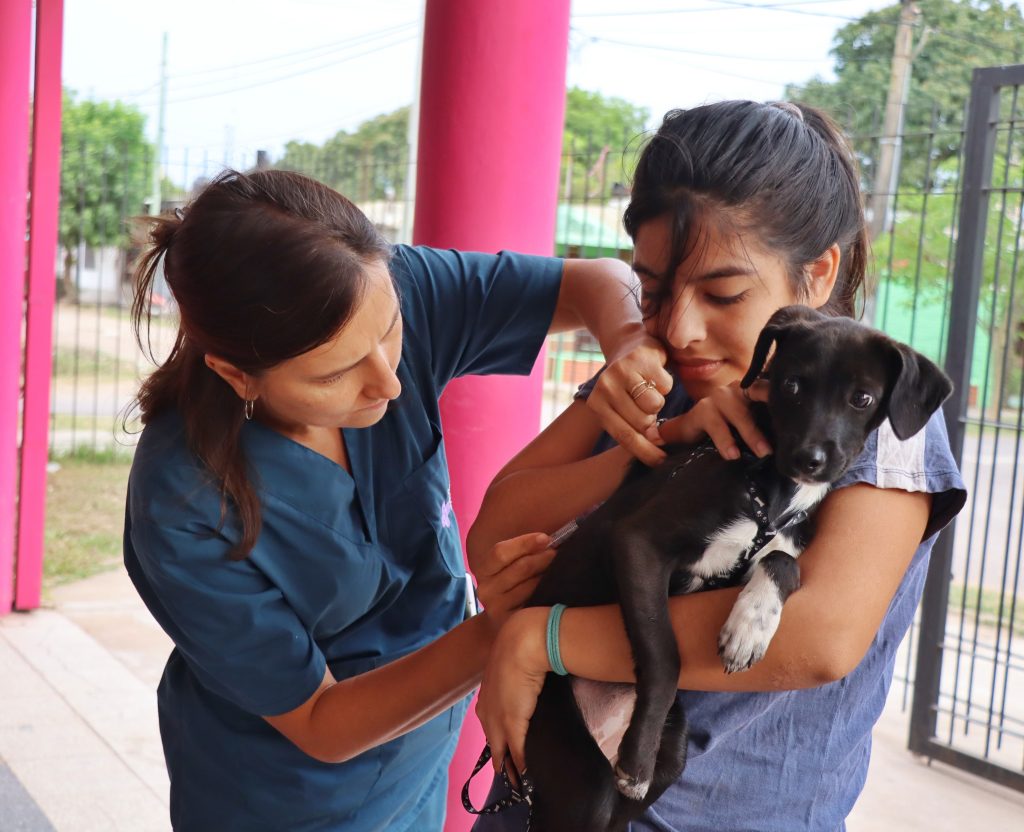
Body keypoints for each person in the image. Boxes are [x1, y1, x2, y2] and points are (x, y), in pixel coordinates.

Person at [469, 100, 967, 831]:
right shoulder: (662, 374)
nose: (680, 326)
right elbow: (491, 531)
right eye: (654, 289)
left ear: (819, 271)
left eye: (723, 293)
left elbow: (819, 638)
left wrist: (538, 641)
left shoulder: (877, 416)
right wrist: (657, 440)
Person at [122, 167, 663, 831]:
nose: (389, 383)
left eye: (390, 335)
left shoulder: (380, 288)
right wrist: (506, 628)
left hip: (419, 758)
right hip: (281, 796)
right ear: (239, 375)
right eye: (336, 372)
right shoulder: (181, 504)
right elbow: (321, 723)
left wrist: (629, 343)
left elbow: (595, 282)